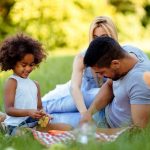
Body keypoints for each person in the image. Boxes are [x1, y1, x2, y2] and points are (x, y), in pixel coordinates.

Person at [42, 16, 118, 127]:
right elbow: (74, 88)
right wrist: (84, 114)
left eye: (104, 37)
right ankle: (13, 118)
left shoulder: (120, 56)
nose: (99, 42)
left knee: (97, 116)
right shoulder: (83, 57)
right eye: (95, 38)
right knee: (42, 107)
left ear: (112, 36)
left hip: (96, 102)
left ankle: (37, 123)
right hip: (75, 94)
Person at [0, 34, 72, 135]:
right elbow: (9, 109)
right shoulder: (12, 82)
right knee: (28, 134)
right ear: (12, 63)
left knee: (66, 127)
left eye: (31, 65)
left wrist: (44, 114)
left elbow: (39, 107)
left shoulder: (35, 84)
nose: (28, 68)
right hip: (15, 126)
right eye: (24, 65)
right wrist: (29, 112)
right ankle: (4, 127)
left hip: (34, 124)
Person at [81, 36, 150, 128]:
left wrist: (98, 134)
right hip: (105, 109)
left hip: (109, 127)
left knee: (64, 125)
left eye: (101, 72)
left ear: (115, 64)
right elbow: (109, 85)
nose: (100, 77)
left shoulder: (140, 81)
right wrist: (89, 113)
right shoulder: (127, 51)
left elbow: (138, 130)